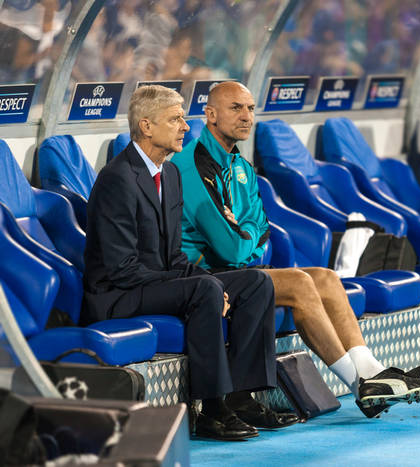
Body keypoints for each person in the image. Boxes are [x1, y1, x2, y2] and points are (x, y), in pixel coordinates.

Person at [171, 81, 420, 419]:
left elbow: (260, 227)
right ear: (210, 115)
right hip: (204, 274)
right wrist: (246, 235)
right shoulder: (193, 164)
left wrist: (245, 232)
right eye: (236, 108)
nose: (247, 116)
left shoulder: (240, 166)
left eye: (251, 108)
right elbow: (231, 249)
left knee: (326, 278)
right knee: (300, 283)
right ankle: (360, 384)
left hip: (237, 269)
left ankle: (373, 371)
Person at [81, 85, 298, 442]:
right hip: (117, 294)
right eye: (175, 119)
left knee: (256, 282)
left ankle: (241, 396)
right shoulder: (117, 179)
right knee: (204, 288)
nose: (185, 126)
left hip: (153, 282)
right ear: (147, 126)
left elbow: (176, 257)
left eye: (183, 118)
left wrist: (210, 281)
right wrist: (203, 284)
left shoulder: (169, 174)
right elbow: (121, 268)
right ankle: (212, 409)